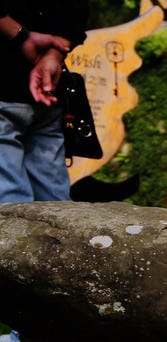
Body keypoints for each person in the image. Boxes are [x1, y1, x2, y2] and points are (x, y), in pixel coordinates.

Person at [0, 1, 89, 203]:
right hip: (47, 90)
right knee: (55, 204)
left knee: (10, 207)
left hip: (9, 88)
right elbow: (77, 9)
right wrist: (55, 53)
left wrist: (22, 37)